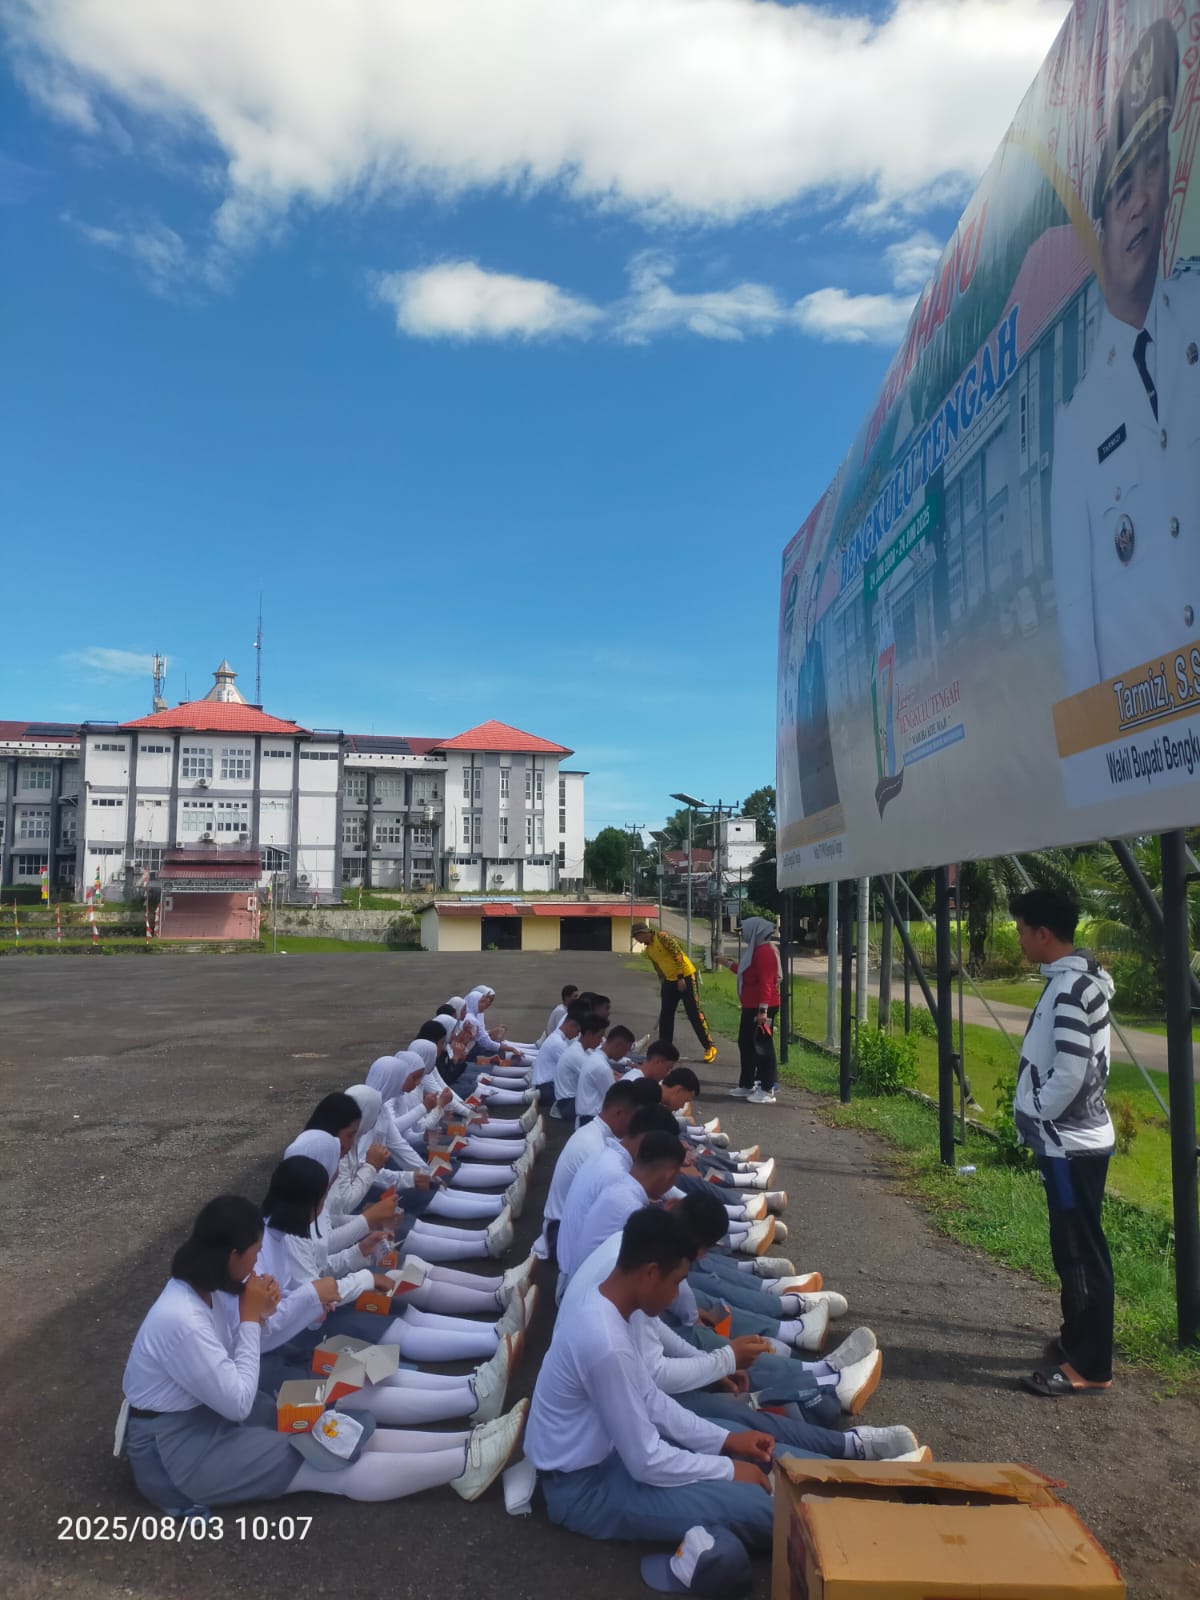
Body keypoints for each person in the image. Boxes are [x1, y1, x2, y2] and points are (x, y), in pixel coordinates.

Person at [120, 1195, 528, 1510]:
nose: (258, 1263)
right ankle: (465, 1465)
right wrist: (251, 1318)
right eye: (254, 1253)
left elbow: (254, 1344)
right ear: (232, 1255)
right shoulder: (182, 1319)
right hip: (178, 1452)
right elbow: (238, 1401)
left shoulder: (212, 1287)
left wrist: (261, 1314)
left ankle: (465, 1440)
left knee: (331, 1427)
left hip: (209, 1415)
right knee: (321, 1459)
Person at [1052, 16, 1200, 696]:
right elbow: (1080, 644)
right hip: (1156, 745)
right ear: (1101, 229)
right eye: (1121, 192)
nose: (1141, 200)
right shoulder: (1078, 426)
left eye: (1152, 168)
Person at [525, 1208, 776, 1549]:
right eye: (676, 1282)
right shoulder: (606, 1342)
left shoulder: (609, 1307)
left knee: (752, 1457)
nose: (676, 1295)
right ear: (650, 1273)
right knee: (760, 1509)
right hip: (583, 1491)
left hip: (609, 1460)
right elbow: (646, 1461)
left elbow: (651, 1400)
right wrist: (729, 1469)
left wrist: (726, 1441)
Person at [1010, 889, 1116, 1398]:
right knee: (1070, 1247)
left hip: (1070, 1145)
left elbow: (1072, 1073)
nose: (1019, 938)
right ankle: (1076, 1339)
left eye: (1021, 930)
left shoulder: (1071, 989)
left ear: (1043, 933)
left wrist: (1034, 1110)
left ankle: (1091, 1366)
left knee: (1080, 1253)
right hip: (1071, 1141)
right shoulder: (1075, 980)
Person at [632, 922, 717, 1064]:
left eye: (637, 937)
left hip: (685, 976)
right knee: (666, 1015)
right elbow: (658, 967)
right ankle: (665, 1050)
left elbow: (677, 953)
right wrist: (663, 981)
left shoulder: (662, 937)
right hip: (669, 980)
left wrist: (680, 977)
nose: (638, 941)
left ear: (643, 933)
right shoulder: (649, 950)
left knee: (693, 1012)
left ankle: (709, 1046)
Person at [725, 919, 781, 1104]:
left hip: (762, 1006)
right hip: (751, 1005)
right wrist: (726, 963)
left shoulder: (765, 952)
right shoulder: (755, 951)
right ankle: (747, 1083)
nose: (743, 935)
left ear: (754, 931)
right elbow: (745, 972)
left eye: (744, 931)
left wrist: (763, 1010)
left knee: (762, 1046)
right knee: (746, 1043)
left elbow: (767, 982)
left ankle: (767, 1088)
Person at [575, 1025, 637, 1124]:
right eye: (625, 1050)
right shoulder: (602, 1067)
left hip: (588, 1117)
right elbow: (616, 1099)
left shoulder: (596, 1057)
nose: (624, 1055)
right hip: (591, 1119)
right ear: (619, 1046)